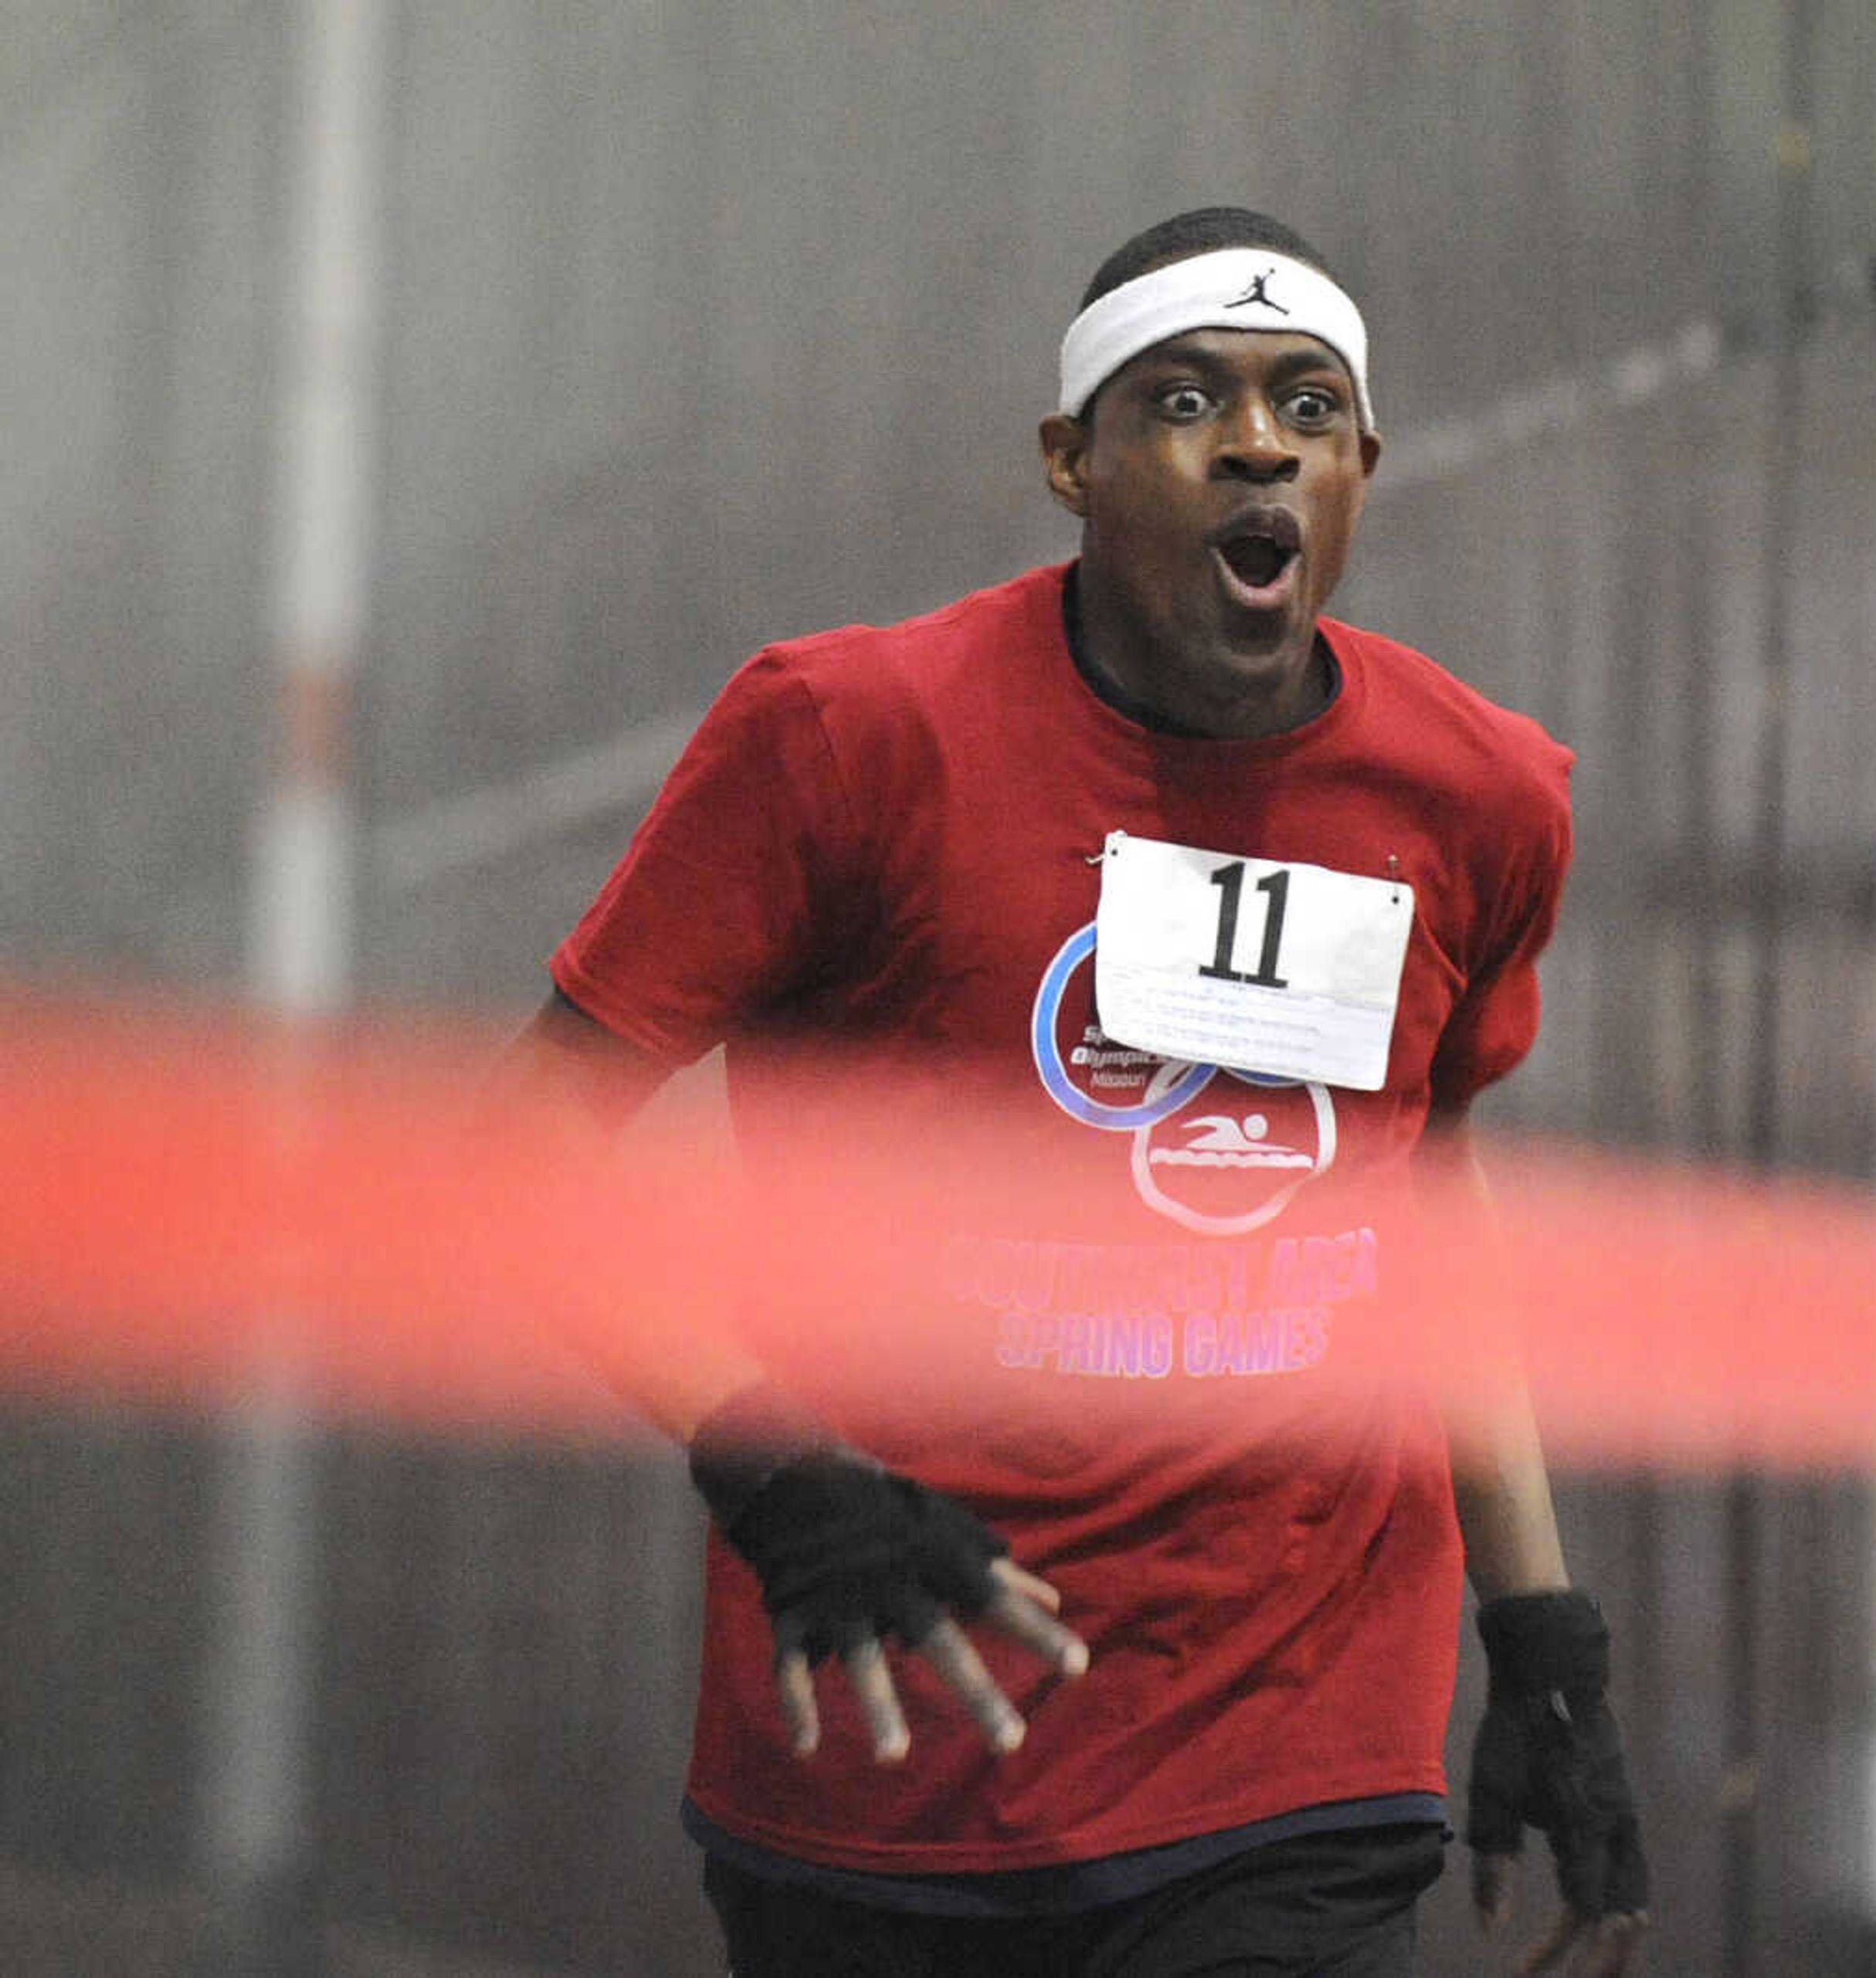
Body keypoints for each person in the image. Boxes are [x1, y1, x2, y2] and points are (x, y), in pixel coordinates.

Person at [488, 207, 1649, 1977]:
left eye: (1308, 408)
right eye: (1186, 400)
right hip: (888, 1750)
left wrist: (1544, 1627)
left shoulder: (1478, 797)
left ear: (1358, 471)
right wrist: (777, 1470)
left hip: (1292, 1752)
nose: (1258, 442)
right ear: (1070, 463)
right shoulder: (848, 739)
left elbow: (1430, 1198)